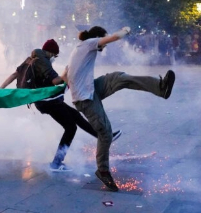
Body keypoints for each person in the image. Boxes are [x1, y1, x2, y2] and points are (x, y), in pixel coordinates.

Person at [65, 26, 176, 192]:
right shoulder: (89, 43)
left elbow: (65, 74)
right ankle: (102, 170)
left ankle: (161, 88)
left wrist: (60, 85)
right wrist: (125, 30)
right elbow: (113, 38)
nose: (104, 48)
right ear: (98, 38)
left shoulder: (80, 48)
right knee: (105, 133)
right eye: (103, 42)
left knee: (119, 78)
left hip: (91, 90)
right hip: (85, 99)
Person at [0, 39, 121, 172]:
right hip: (48, 101)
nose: (54, 58)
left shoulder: (31, 59)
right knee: (71, 128)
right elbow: (56, 80)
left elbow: (14, 74)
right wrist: (70, 71)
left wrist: (2, 89)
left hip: (48, 100)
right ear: (50, 53)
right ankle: (56, 163)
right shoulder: (43, 61)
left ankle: (103, 136)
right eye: (55, 56)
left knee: (75, 116)